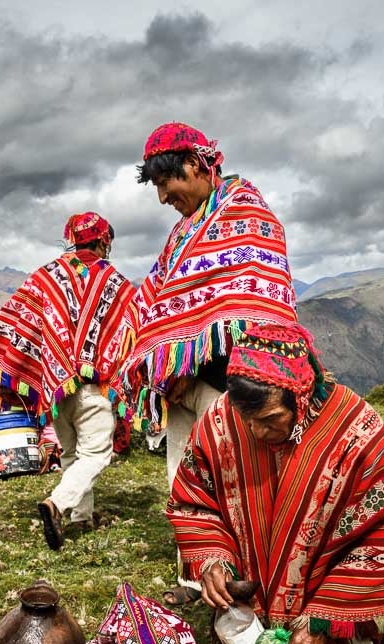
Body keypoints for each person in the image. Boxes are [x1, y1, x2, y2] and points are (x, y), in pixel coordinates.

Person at [168, 323, 384, 644]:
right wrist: (211, 560)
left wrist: (323, 619)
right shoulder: (220, 421)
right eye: (247, 420)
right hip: (251, 612)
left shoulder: (357, 431)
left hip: (333, 616)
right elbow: (195, 504)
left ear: (299, 397)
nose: (256, 433)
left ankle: (319, 639)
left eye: (269, 420)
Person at [129, 123, 298, 489]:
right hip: (179, 388)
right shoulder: (183, 232)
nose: (161, 198)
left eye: (164, 183)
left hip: (228, 387)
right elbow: (162, 303)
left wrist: (189, 370)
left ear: (193, 163)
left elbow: (254, 314)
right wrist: (169, 374)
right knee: (184, 488)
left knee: (231, 487)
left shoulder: (246, 214)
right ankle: (192, 548)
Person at [0, 212, 137, 549]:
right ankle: (56, 504)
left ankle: (81, 518)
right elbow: (134, 329)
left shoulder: (44, 278)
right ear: (105, 241)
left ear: (72, 238)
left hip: (56, 388)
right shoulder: (116, 284)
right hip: (94, 388)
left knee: (72, 453)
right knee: (96, 455)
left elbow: (18, 323)